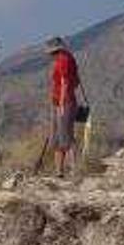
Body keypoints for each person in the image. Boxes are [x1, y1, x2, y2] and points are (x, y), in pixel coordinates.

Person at [47, 36, 80, 177]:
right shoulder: (67, 58)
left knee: (66, 137)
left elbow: (65, 82)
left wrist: (61, 103)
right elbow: (76, 81)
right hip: (62, 102)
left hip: (64, 103)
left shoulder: (63, 60)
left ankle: (74, 170)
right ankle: (59, 171)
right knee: (58, 138)